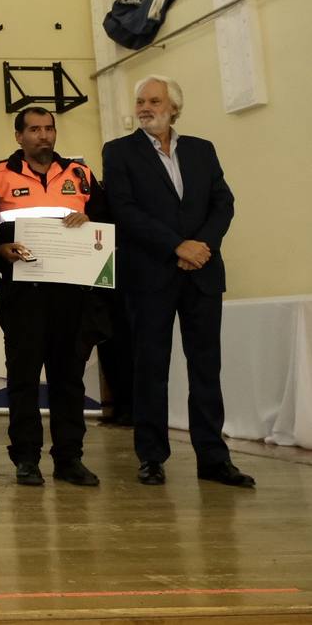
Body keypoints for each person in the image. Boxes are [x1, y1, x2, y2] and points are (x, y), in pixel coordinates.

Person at [102, 75, 254, 488]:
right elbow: (124, 210)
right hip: (150, 275)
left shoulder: (202, 150)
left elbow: (223, 203)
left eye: (154, 101)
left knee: (206, 367)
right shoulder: (119, 151)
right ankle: (152, 457)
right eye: (140, 101)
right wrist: (176, 246)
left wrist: (201, 246)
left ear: (174, 107)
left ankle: (213, 458)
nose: (145, 107)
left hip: (202, 272)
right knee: (151, 368)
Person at [0, 106, 106, 488]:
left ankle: (69, 458)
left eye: (49, 128)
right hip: (23, 293)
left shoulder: (80, 175)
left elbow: (108, 225)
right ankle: (26, 459)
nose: (43, 136)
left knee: (69, 379)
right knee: (24, 378)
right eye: (34, 129)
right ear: (19, 136)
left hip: (72, 293)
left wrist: (91, 223)